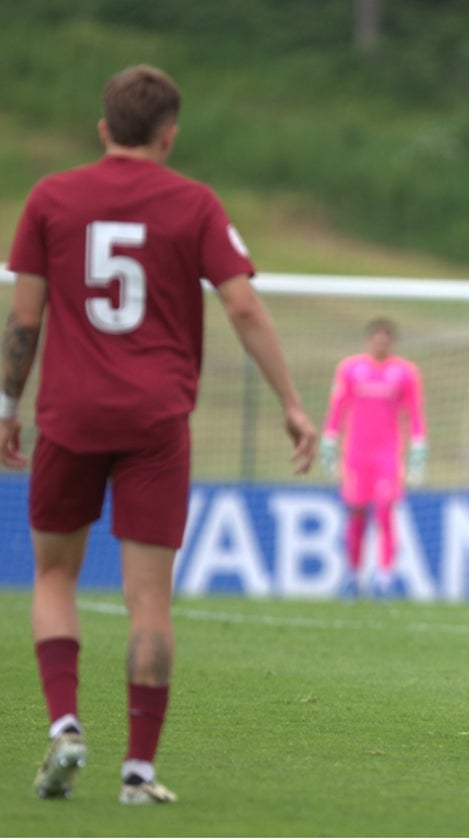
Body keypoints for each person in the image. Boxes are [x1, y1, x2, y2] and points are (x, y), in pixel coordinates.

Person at [0, 65, 318, 804]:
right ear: (169, 135)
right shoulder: (194, 204)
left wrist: (7, 406)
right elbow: (242, 307)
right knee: (150, 605)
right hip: (156, 424)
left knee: (53, 576)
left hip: (69, 417)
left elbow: (23, 322)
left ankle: (67, 726)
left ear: (104, 127)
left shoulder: (50, 198)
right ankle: (138, 772)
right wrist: (293, 404)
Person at [321, 317, 427, 597]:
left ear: (391, 342)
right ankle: (352, 575)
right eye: (376, 337)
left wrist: (418, 450)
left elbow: (415, 413)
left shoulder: (405, 373)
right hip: (356, 453)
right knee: (355, 514)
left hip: (388, 454)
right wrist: (329, 441)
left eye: (386, 338)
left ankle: (384, 578)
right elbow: (337, 407)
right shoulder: (350, 369)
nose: (381, 342)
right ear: (369, 340)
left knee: (384, 511)